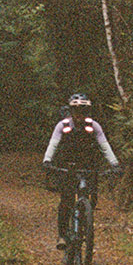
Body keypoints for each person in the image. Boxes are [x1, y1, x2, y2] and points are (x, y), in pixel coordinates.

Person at [42, 92, 121, 249]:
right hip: (67, 167)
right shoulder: (62, 126)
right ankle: (63, 235)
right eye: (76, 110)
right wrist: (47, 160)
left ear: (87, 112)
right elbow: (53, 144)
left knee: (91, 199)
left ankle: (86, 224)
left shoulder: (94, 126)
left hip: (89, 167)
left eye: (83, 110)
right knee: (66, 201)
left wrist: (114, 163)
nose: (80, 114)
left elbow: (104, 146)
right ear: (71, 111)